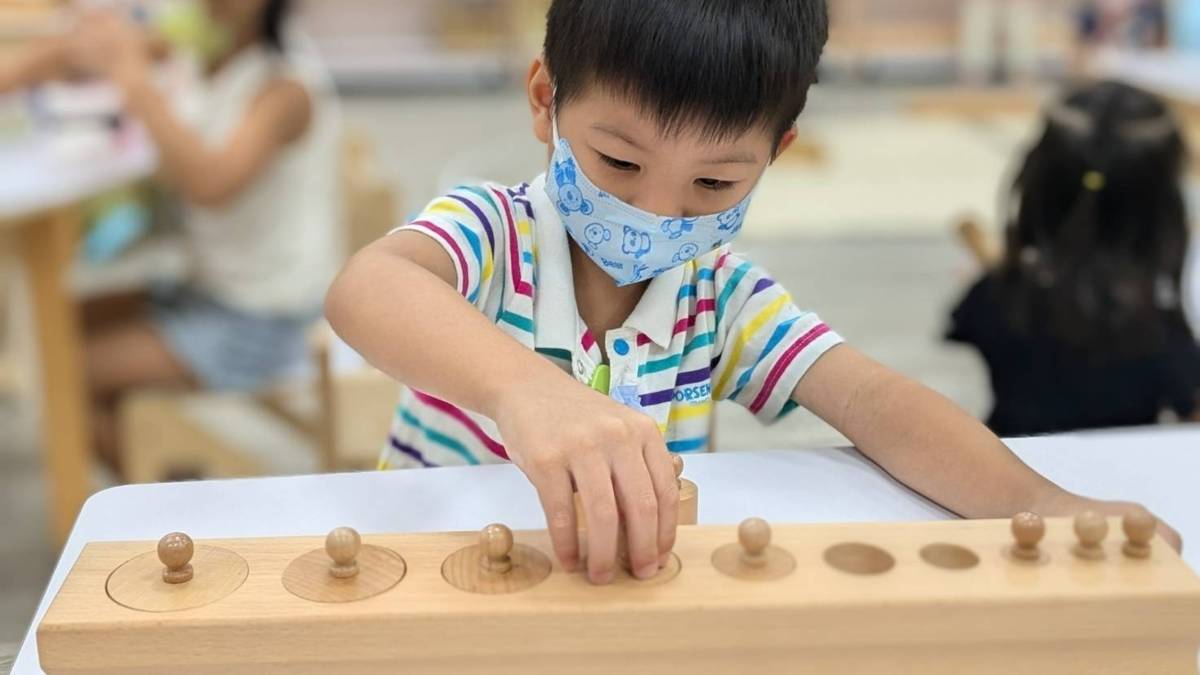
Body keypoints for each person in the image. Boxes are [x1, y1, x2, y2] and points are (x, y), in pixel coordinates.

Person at [326, 1, 1181, 586]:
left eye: (715, 182)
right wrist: (526, 391)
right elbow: (370, 288)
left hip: (614, 605)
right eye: (619, 162)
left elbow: (874, 399)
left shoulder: (720, 297)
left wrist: (1043, 502)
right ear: (547, 99)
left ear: (778, 152)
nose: (655, 211)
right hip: (437, 581)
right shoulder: (492, 234)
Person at [1, 0, 341, 472]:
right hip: (203, 289)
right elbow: (70, 54)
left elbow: (210, 184)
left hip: (262, 320)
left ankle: (171, 506)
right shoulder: (203, 49)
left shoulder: (285, 88)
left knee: (58, 371)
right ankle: (162, 479)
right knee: (47, 329)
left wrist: (132, 77)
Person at [949, 80, 1199, 437]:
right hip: (1128, 475)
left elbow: (962, 325)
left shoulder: (998, 296)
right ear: (1163, 201)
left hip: (1012, 462)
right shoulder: (1164, 318)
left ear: (1039, 181)